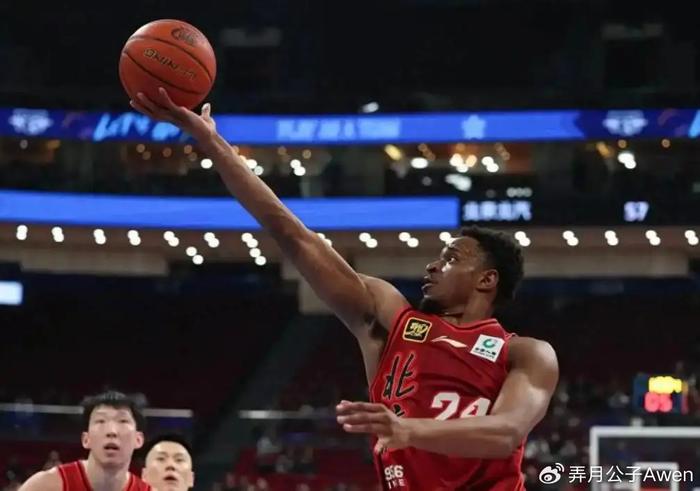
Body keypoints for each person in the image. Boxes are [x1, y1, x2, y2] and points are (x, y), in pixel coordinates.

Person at [131, 89, 559, 490]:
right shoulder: (390, 320)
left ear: (487, 280)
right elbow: (292, 233)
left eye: (451, 258)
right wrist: (211, 144)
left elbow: (506, 432)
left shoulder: (525, 354)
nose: (433, 264)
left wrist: (408, 429)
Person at [19, 391, 150, 491]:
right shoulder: (45, 486)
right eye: (101, 421)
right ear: (86, 439)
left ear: (138, 440)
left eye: (122, 421)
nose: (112, 431)